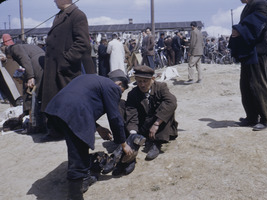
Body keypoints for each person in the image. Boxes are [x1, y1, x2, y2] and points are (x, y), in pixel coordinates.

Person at [44, 70, 133, 199]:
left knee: (76, 146)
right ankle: (75, 195)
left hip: (55, 109)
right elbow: (114, 117)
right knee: (79, 153)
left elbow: (83, 100)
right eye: (122, 91)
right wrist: (123, 143)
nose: (119, 94)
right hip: (74, 112)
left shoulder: (92, 79)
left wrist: (98, 127)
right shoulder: (112, 87)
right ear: (119, 84)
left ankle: (83, 176)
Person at [41, 0, 95, 113]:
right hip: (55, 69)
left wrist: (66, 61)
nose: (54, 1)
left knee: (69, 105)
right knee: (57, 105)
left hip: (66, 70)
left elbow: (82, 42)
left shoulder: (77, 15)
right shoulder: (60, 15)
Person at [228, 0, 267, 131]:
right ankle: (252, 117)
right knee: (246, 86)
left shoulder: (261, 3)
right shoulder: (248, 6)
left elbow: (259, 22)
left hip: (256, 51)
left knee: (258, 85)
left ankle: (265, 119)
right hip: (247, 52)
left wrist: (240, 30)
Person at [126, 65, 178, 160]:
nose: (142, 85)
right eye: (139, 81)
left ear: (152, 79)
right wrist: (133, 133)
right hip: (144, 125)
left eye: (145, 81)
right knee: (122, 106)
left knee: (166, 107)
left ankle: (157, 143)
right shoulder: (133, 94)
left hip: (159, 125)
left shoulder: (161, 87)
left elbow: (172, 102)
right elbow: (131, 114)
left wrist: (156, 124)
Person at [1, 44, 46, 133]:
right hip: (42, 65)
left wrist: (30, 77)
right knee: (39, 94)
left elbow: (25, 61)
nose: (12, 59)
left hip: (37, 67)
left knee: (28, 92)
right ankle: (38, 121)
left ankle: (33, 124)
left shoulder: (15, 48)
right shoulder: (26, 46)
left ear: (8, 53)